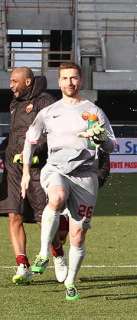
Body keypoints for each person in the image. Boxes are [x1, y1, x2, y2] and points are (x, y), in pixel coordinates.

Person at [21, 62, 116, 301]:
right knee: (57, 197)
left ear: (80, 80)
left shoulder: (93, 111)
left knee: (78, 235)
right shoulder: (49, 112)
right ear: (59, 81)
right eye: (65, 78)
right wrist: (24, 171)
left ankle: (71, 281)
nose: (69, 83)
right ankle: (43, 253)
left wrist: (99, 136)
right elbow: (30, 140)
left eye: (73, 78)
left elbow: (111, 145)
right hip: (56, 169)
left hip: (85, 176)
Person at [0, 68, 60, 285]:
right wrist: (4, 149)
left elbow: (52, 132)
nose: (10, 85)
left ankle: (58, 256)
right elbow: (15, 134)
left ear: (27, 81)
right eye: (10, 81)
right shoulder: (15, 103)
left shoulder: (46, 101)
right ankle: (22, 265)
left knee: (44, 218)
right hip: (13, 169)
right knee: (13, 214)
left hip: (37, 168)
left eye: (14, 81)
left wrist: (36, 154)